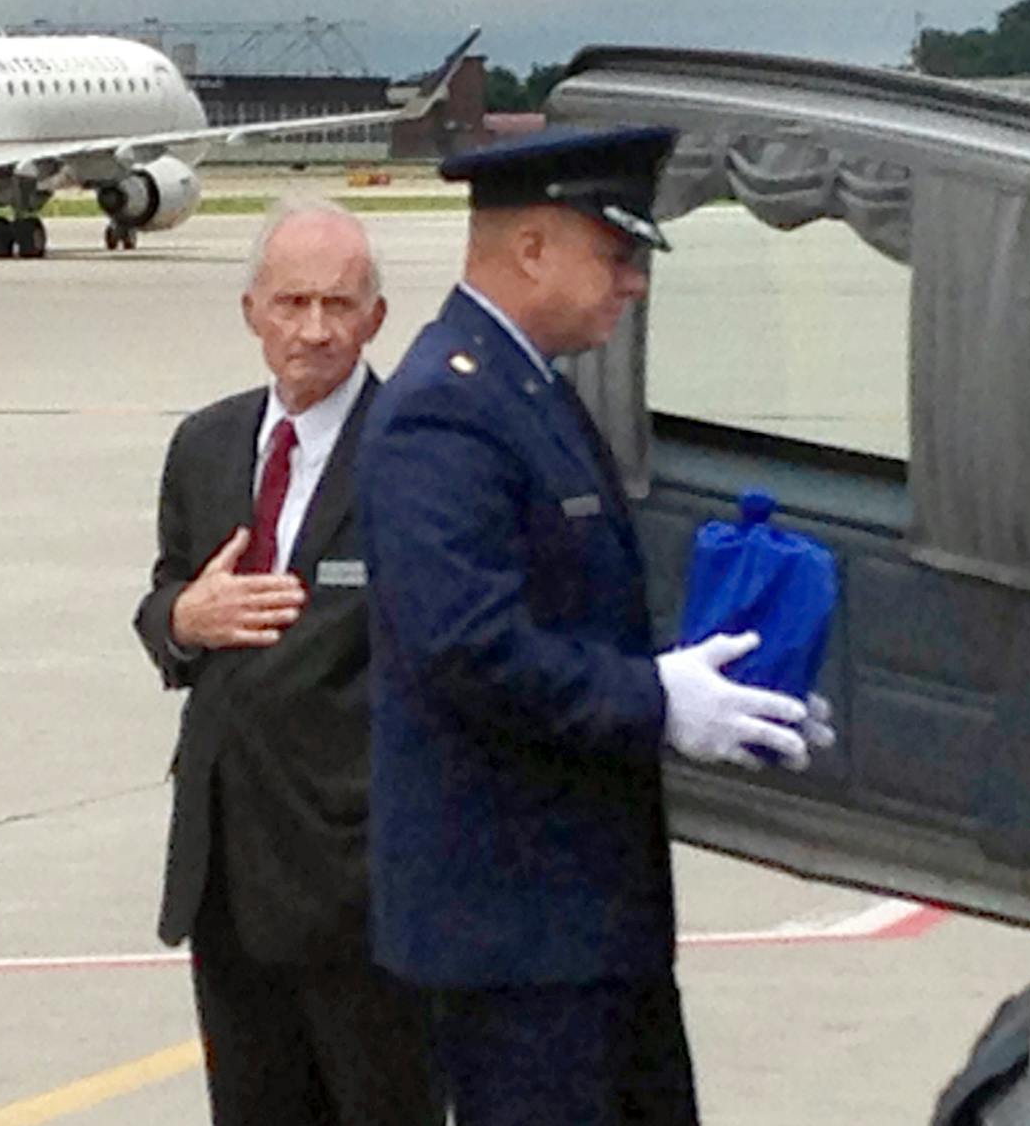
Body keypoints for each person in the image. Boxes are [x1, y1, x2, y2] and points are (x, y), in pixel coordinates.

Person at [358, 126, 836, 1126]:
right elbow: (468, 647)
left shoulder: (527, 386)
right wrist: (658, 699)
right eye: (616, 255)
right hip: (516, 933)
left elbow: (573, 611)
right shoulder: (445, 412)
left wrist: (721, 691)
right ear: (532, 248)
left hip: (584, 922)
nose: (634, 285)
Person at [131, 199, 438, 1126]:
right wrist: (184, 616)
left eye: (339, 306)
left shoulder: (413, 456)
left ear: (375, 319)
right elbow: (164, 604)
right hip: (228, 869)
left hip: (358, 882)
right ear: (252, 311)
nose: (314, 330)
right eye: (292, 303)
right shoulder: (205, 445)